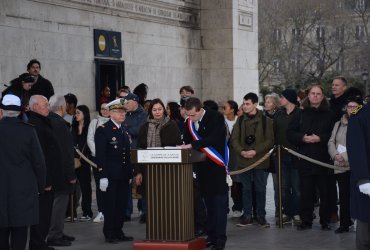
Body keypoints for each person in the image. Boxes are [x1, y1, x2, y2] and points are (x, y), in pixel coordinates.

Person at [181, 97, 228, 250]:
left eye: (193, 115)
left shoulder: (216, 117)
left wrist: (193, 144)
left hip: (216, 167)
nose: (190, 118)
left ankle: (220, 240)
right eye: (188, 115)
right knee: (209, 206)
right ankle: (211, 236)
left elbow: (214, 139)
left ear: (200, 109)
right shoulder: (189, 121)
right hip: (201, 169)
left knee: (219, 206)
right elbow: (187, 140)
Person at [0, 94, 46, 250]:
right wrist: (40, 187)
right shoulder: (28, 131)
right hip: (23, 191)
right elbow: (39, 163)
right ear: (20, 112)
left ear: (2, 111)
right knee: (20, 233)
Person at [287, 85, 335, 231]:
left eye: (318, 94)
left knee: (325, 193)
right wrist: (302, 138)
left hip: (323, 160)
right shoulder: (300, 113)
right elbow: (290, 133)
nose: (315, 96)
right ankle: (306, 220)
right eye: (312, 93)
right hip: (305, 158)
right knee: (306, 193)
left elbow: (334, 135)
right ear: (309, 96)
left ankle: (325, 221)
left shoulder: (330, 114)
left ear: (322, 96)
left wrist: (319, 138)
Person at [230, 92, 274, 228]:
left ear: (255, 104)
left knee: (260, 189)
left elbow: (270, 141)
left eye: (247, 103)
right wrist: (242, 151)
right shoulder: (240, 120)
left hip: (260, 160)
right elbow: (234, 139)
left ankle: (260, 215)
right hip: (244, 161)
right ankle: (247, 215)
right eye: (243, 103)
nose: (244, 106)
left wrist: (255, 151)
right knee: (246, 189)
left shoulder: (266, 121)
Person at [135, 99, 182, 222]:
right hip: (148, 169)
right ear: (150, 111)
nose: (157, 112)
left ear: (164, 110)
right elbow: (140, 148)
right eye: (154, 110)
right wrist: (139, 172)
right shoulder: (145, 127)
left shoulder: (171, 125)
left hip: (168, 170)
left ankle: (168, 221)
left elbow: (176, 147)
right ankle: (152, 221)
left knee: (167, 197)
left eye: (160, 109)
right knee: (150, 198)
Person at [95, 98, 134, 244]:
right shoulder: (103, 130)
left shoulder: (123, 129)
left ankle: (118, 230)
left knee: (121, 205)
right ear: (110, 113)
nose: (122, 114)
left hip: (123, 174)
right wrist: (102, 176)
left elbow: (127, 153)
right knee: (110, 205)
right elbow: (101, 155)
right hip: (110, 175)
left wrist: (129, 173)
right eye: (118, 111)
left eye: (123, 111)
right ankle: (109, 232)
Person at [28, 95, 61, 250]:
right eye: (44, 105)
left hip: (49, 177)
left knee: (46, 214)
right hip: (43, 181)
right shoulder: (35, 125)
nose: (48, 107)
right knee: (42, 214)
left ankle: (40, 242)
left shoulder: (42, 122)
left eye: (48, 104)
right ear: (34, 107)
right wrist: (45, 181)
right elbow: (40, 157)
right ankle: (38, 244)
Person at [328, 94, 363, 234]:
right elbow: (331, 141)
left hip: (356, 166)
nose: (352, 109)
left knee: (357, 195)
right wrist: (335, 155)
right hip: (340, 166)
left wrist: (343, 156)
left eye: (355, 106)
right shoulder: (338, 124)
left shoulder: (362, 123)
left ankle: (358, 221)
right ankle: (344, 223)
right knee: (343, 196)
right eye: (350, 106)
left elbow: (360, 145)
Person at [47, 95, 77, 247]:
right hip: (61, 172)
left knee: (56, 203)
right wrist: (71, 174)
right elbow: (66, 152)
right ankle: (55, 234)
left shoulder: (48, 121)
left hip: (52, 170)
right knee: (59, 203)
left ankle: (58, 230)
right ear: (61, 107)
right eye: (65, 105)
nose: (67, 108)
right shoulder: (60, 124)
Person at [273, 89, 301, 225]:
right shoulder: (278, 114)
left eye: (282, 97)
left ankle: (296, 212)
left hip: (297, 157)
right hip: (280, 156)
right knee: (283, 187)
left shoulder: (300, 114)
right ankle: (286, 212)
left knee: (297, 188)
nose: (280, 99)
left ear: (289, 99)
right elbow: (274, 132)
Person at [347, 98, 370, 250]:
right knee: (365, 230)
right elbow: (356, 150)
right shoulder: (360, 115)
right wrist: (363, 180)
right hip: (367, 181)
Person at [122, 93, 148, 221]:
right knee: (126, 182)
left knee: (141, 182)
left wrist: (126, 128)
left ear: (135, 101)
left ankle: (144, 211)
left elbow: (139, 130)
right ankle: (127, 212)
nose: (125, 105)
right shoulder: (125, 114)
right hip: (126, 152)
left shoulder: (144, 115)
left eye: (127, 102)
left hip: (140, 152)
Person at [328, 76, 348, 223]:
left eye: (337, 85)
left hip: (344, 150)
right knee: (329, 183)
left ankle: (347, 215)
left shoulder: (349, 104)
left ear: (344, 87)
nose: (333, 87)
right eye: (333, 84)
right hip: (330, 145)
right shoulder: (328, 103)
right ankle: (332, 211)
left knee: (344, 185)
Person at [87, 103, 110, 223]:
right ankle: (101, 211)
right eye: (102, 109)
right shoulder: (94, 122)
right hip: (98, 159)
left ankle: (111, 210)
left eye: (107, 108)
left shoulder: (114, 122)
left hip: (110, 159)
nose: (105, 111)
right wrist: (99, 153)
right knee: (100, 185)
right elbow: (90, 139)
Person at [72, 105, 93, 221]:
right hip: (73, 161)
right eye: (75, 113)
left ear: (85, 114)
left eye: (78, 113)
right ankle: (71, 212)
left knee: (86, 187)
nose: (76, 115)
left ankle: (87, 212)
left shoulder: (89, 128)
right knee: (72, 187)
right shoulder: (73, 128)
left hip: (85, 161)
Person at [222, 100, 243, 217]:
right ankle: (224, 207)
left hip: (237, 156)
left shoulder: (239, 121)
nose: (223, 109)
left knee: (237, 182)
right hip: (225, 156)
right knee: (225, 182)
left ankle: (238, 206)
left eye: (225, 107)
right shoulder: (222, 121)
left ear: (232, 109)